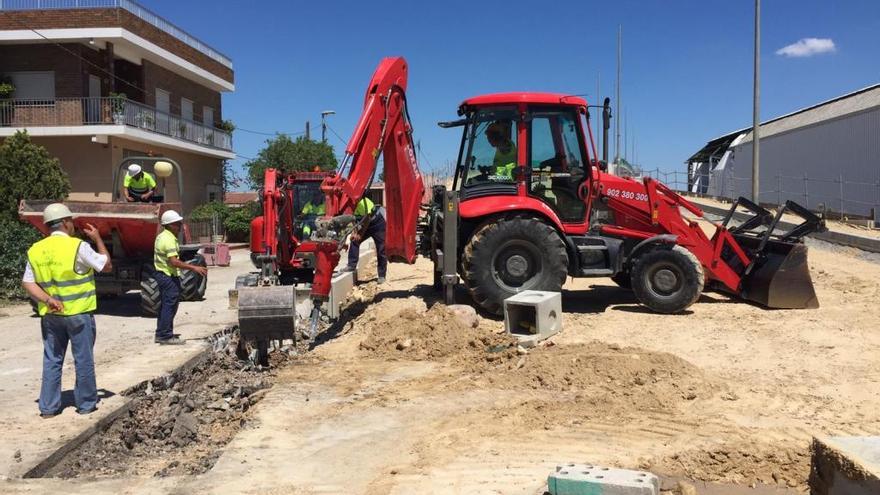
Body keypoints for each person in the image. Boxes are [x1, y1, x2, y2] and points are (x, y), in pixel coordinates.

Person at [22, 203, 112, 417]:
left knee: (52, 360)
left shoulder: (36, 250)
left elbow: (27, 282)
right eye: (70, 221)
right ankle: (86, 404)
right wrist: (97, 238)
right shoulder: (78, 246)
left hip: (52, 316)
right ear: (65, 222)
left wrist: (47, 299)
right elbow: (106, 265)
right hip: (79, 314)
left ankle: (48, 408)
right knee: (83, 359)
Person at [153, 210, 208, 345]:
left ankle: (162, 332)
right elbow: (174, 262)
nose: (180, 226)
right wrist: (194, 268)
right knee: (170, 306)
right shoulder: (168, 239)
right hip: (167, 276)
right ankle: (165, 336)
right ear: (170, 225)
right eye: (177, 224)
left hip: (163, 275)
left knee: (166, 305)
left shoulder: (162, 236)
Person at [343, 197, 387, 284]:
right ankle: (351, 265)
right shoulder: (349, 204)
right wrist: (354, 233)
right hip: (364, 223)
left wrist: (360, 234)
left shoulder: (363, 202)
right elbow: (353, 220)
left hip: (377, 223)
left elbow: (367, 219)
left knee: (381, 248)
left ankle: (381, 276)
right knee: (354, 240)